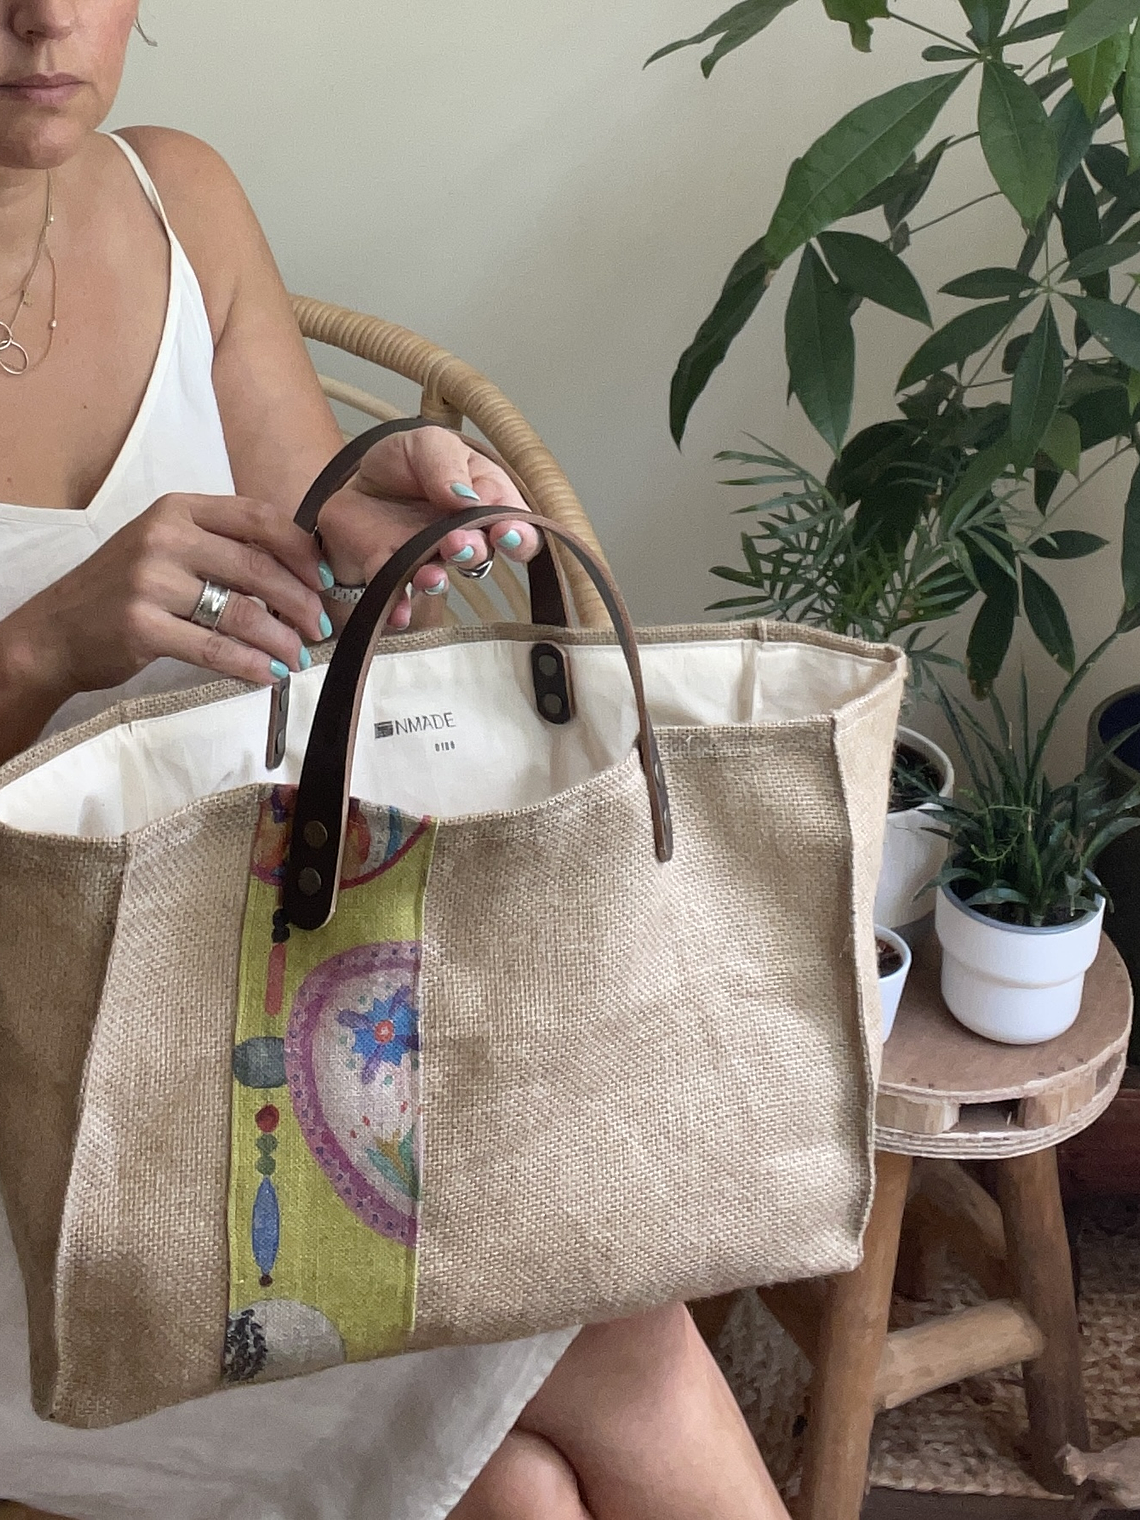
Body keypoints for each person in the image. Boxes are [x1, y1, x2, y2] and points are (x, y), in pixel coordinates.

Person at [0, 5, 792, 1518]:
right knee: (614, 1335)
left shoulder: (182, 198)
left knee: (522, 1488)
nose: (40, 13)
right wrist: (42, 646)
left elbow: (309, 532)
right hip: (60, 1134)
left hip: (245, 997)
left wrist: (373, 519)